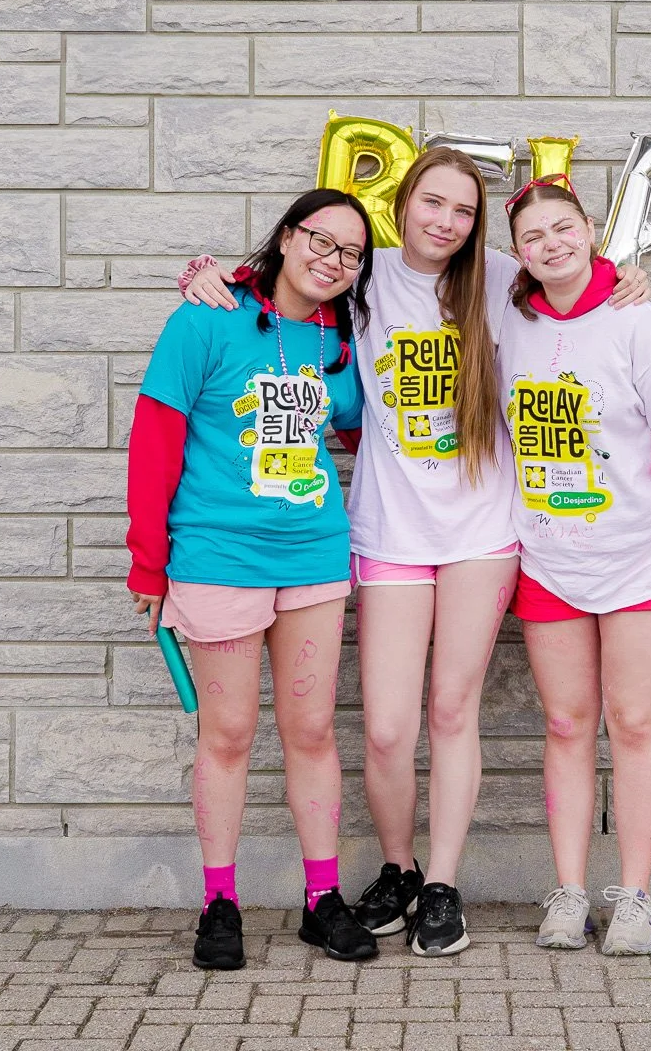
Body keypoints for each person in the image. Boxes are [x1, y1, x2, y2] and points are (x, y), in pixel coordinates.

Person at [175, 148, 649, 957]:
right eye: (433, 203)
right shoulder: (365, 275)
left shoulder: (501, 279)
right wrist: (212, 277)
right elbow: (290, 286)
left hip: (481, 533)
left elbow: (578, 286)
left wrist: (626, 278)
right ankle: (399, 869)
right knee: (389, 728)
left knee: (451, 711)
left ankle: (443, 886)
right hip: (389, 529)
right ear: (404, 204)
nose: (447, 222)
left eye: (464, 211)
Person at [127, 189, 379, 971]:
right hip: (218, 558)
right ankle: (220, 902)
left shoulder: (341, 343)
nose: (332, 261)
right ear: (287, 236)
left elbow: (363, 431)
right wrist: (148, 561)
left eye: (351, 253)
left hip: (312, 558)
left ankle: (322, 899)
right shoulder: (204, 318)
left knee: (311, 731)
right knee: (229, 733)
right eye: (321, 240)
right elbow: (154, 441)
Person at [497, 175, 651, 956]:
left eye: (563, 228)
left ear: (590, 228)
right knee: (565, 723)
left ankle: (635, 897)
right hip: (547, 560)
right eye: (532, 237)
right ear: (517, 254)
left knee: (634, 722)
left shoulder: (638, 320)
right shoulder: (508, 318)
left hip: (638, 562)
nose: (551, 244)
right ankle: (568, 893)